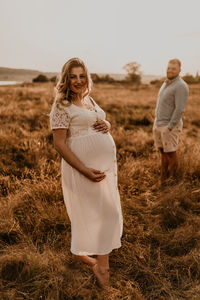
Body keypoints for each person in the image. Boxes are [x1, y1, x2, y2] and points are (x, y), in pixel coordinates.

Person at [49, 58, 123, 288]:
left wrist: (107, 124)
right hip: (82, 170)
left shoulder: (88, 99)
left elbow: (95, 121)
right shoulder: (61, 105)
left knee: (103, 213)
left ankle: (85, 256)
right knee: (106, 214)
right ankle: (102, 268)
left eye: (82, 76)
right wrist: (84, 170)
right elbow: (60, 144)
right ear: (66, 79)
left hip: (104, 170)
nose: (78, 81)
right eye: (73, 76)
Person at [153, 59, 189, 185]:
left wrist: (170, 126)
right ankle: (163, 180)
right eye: (169, 68)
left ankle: (172, 183)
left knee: (171, 153)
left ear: (179, 70)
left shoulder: (181, 86)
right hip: (158, 124)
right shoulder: (166, 83)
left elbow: (180, 109)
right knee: (163, 153)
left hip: (169, 126)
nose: (170, 70)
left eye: (173, 68)